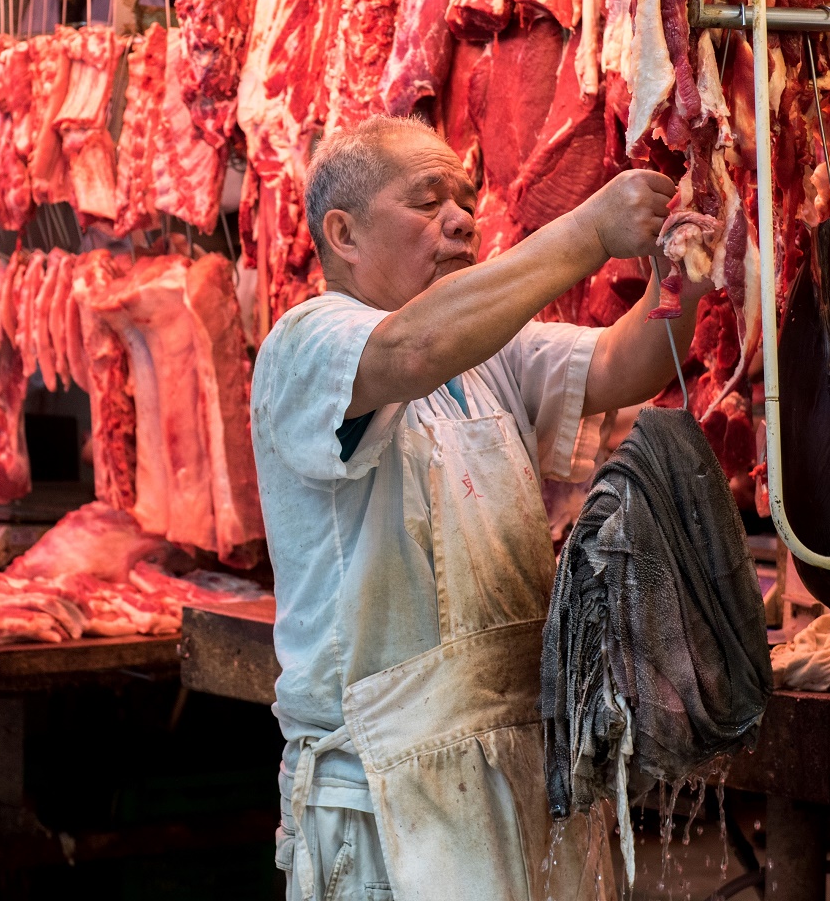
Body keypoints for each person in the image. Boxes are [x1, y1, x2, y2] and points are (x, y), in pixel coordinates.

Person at [251, 114, 711, 901]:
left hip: (513, 766)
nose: (462, 218)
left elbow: (622, 363)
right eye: (428, 202)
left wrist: (683, 278)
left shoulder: (489, 352)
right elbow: (409, 352)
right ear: (344, 233)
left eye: (465, 200)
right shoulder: (311, 341)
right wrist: (589, 232)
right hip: (384, 799)